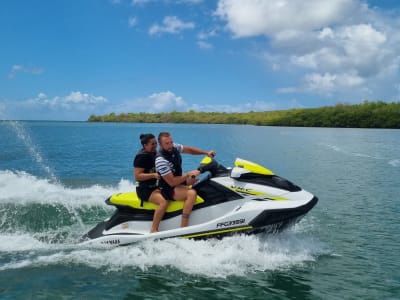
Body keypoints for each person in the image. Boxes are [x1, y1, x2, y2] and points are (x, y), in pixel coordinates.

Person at [155, 132, 216, 227]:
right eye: (167, 143)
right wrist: (188, 174)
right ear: (160, 145)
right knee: (191, 193)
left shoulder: (174, 147)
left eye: (171, 142)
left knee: (197, 181)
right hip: (167, 188)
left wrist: (206, 153)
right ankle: (183, 226)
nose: (170, 145)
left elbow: (190, 150)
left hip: (177, 180)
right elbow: (171, 182)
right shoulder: (160, 160)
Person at [133, 133, 168, 233]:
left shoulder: (153, 153)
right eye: (152, 144)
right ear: (145, 145)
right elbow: (137, 176)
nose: (155, 146)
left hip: (155, 186)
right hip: (144, 190)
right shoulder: (141, 157)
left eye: (156, 143)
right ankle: (153, 229)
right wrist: (153, 175)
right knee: (163, 202)